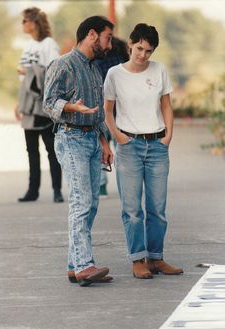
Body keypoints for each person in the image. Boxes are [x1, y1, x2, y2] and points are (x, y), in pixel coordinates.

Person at [104, 23, 183, 279]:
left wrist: (169, 135)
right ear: (130, 43)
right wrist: (118, 137)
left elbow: (167, 105)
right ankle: (138, 259)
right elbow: (107, 110)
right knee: (132, 209)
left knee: (157, 209)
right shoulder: (115, 74)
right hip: (129, 146)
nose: (143, 55)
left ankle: (156, 258)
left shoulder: (159, 69)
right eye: (139, 48)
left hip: (158, 145)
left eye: (148, 51)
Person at [43, 16, 114, 286]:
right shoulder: (62, 64)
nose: (109, 44)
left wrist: (105, 143)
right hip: (71, 138)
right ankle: (85, 265)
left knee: (91, 203)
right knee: (81, 202)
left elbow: (97, 115)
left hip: (93, 140)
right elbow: (48, 104)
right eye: (107, 37)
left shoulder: (95, 70)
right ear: (92, 34)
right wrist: (73, 107)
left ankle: (75, 265)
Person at [15, 7, 63, 203]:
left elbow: (53, 71)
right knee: (31, 150)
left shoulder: (49, 44)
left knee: (51, 149)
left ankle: (57, 190)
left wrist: (29, 72)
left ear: (34, 23)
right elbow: (23, 78)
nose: (23, 25)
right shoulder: (28, 45)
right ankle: (32, 190)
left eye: (25, 21)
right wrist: (18, 103)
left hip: (42, 104)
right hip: (27, 103)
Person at [96, 36, 129, 197]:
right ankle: (127, 183)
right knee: (121, 148)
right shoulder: (121, 53)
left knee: (103, 148)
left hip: (103, 108)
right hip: (118, 108)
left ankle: (102, 186)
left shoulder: (97, 57)